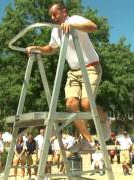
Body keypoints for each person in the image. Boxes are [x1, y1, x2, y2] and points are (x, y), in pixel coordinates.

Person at [25, 2, 111, 150]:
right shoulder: (55, 31)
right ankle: (89, 140)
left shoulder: (74, 19)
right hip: (73, 71)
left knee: (86, 104)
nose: (52, 18)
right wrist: (37, 48)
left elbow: (93, 27)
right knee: (71, 104)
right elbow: (51, 48)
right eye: (51, 16)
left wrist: (73, 26)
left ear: (64, 11)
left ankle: (104, 118)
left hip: (90, 67)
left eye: (55, 14)